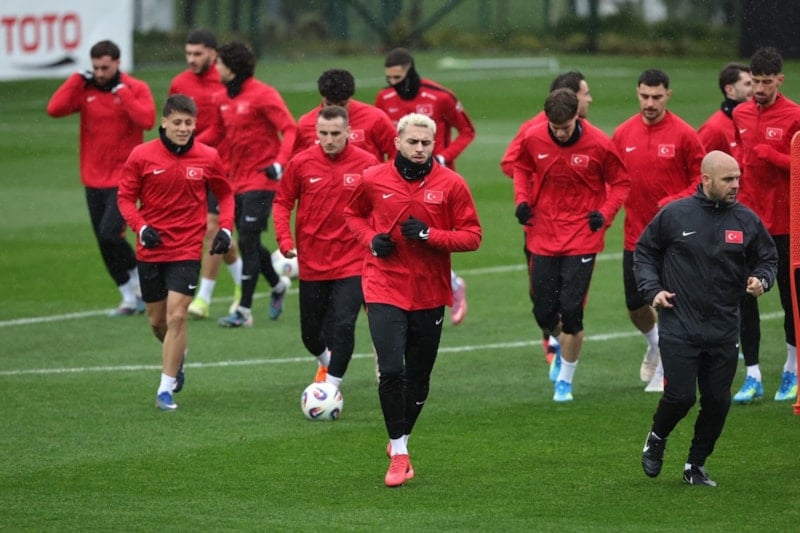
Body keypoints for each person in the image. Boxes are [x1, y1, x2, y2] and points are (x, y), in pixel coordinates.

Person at [344, 113, 481, 487]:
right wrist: (372, 240)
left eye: (426, 143)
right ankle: (400, 450)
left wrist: (429, 235)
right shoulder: (373, 179)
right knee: (391, 370)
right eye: (413, 142)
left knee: (418, 378)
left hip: (429, 292)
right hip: (383, 286)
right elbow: (353, 214)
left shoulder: (451, 184)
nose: (419, 148)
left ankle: (400, 439)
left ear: (434, 144)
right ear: (397, 143)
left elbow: (472, 236)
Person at [636, 150, 777, 487]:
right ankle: (657, 437)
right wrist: (653, 290)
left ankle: (695, 465)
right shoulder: (675, 215)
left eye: (738, 178)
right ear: (706, 180)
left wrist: (762, 279)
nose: (736, 185)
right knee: (681, 396)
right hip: (679, 324)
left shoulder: (746, 220)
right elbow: (645, 252)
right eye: (728, 179)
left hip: (724, 328)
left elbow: (768, 259)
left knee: (717, 402)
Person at [117, 94, 235, 410]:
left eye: (189, 123)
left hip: (187, 249)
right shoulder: (141, 155)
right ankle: (178, 355)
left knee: (178, 315)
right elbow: (125, 198)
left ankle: (165, 389)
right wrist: (141, 227)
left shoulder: (208, 156)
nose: (183, 129)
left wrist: (225, 229)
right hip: (151, 249)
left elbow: (225, 195)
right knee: (158, 322)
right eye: (178, 122)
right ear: (164, 122)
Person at [513, 88, 630, 402]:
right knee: (543, 312)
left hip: (581, 235)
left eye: (565, 128)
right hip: (543, 234)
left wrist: (604, 214)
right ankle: (560, 343)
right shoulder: (533, 138)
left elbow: (621, 182)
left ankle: (565, 379)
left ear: (577, 117)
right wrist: (522, 200)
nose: (560, 134)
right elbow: (521, 168)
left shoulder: (599, 143)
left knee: (572, 311)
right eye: (555, 128)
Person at [612, 69, 706, 392]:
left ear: (668, 95)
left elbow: (701, 179)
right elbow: (611, 177)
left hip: (674, 239)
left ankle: (665, 369)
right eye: (644, 96)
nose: (650, 103)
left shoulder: (684, 134)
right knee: (635, 304)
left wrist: (675, 200)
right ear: (637, 94)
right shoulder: (623, 133)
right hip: (635, 236)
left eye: (656, 96)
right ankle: (654, 344)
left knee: (669, 304)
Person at [46, 40, 155, 316]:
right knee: (103, 241)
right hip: (93, 178)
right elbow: (54, 109)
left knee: (110, 234)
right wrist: (75, 80)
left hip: (125, 178)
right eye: (95, 68)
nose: (100, 73)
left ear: (118, 63)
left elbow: (147, 120)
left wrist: (123, 93)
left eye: (105, 68)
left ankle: (139, 277)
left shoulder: (135, 88)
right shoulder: (86, 89)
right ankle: (128, 297)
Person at [273, 105, 380, 386]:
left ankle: (331, 387)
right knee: (310, 334)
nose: (329, 139)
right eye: (323, 133)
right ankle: (326, 362)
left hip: (353, 260)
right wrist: (284, 239)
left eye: (335, 133)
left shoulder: (367, 163)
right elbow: (282, 202)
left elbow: (380, 206)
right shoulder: (301, 163)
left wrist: (376, 240)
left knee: (344, 323)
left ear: (348, 132)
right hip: (312, 261)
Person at [198, 41, 296, 327]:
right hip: (235, 181)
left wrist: (280, 162)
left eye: (219, 62)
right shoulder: (221, 97)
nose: (215, 67)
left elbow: (289, 128)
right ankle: (278, 285)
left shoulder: (263, 94)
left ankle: (243, 311)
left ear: (231, 67)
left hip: (262, 180)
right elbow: (216, 132)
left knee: (247, 241)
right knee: (249, 242)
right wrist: (187, 144)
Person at [375, 48, 476, 325]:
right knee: (398, 238)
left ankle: (448, 286)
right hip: (397, 181)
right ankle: (414, 296)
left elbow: (467, 131)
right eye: (388, 78)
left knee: (429, 237)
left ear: (410, 72)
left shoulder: (440, 96)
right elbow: (382, 136)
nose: (392, 83)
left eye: (397, 78)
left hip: (436, 181)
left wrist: (444, 156)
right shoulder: (384, 98)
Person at [500, 70, 593, 372]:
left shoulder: (589, 134)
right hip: (540, 224)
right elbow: (511, 164)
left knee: (573, 294)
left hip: (577, 227)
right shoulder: (533, 129)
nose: (590, 99)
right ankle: (552, 337)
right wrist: (539, 187)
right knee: (542, 294)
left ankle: (564, 347)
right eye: (585, 94)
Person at [732, 46, 800, 402]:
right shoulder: (741, 113)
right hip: (749, 223)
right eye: (755, 81)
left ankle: (792, 368)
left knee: (791, 301)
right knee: (746, 297)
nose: (759, 88)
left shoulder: (794, 115)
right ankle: (753, 375)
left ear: (780, 80)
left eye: (766, 82)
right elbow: (743, 158)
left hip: (787, 224)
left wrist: (772, 156)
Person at [168, 28, 243, 320]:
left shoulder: (226, 80)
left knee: (213, 228)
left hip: (222, 167)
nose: (191, 59)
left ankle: (203, 298)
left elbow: (227, 125)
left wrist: (195, 144)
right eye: (188, 53)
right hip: (189, 167)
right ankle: (244, 284)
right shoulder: (179, 83)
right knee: (216, 234)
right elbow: (172, 121)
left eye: (197, 54)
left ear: (213, 53)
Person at [293, 68, 395, 161]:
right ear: (322, 97)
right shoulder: (305, 124)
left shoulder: (375, 118)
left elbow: (397, 153)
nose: (335, 110)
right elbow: (296, 162)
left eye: (342, 105)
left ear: (349, 98)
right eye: (329, 104)